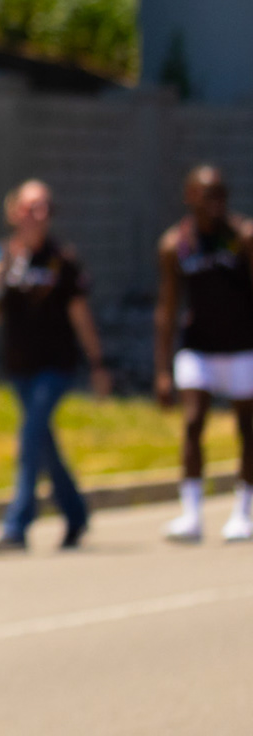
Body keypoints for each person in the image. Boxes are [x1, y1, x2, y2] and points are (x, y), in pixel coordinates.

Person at [0, 179, 108, 554]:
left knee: (31, 436)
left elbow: (81, 316)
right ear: (15, 212)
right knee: (43, 442)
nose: (40, 215)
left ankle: (17, 524)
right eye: (32, 207)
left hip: (56, 365)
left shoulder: (62, 259)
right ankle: (76, 513)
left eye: (45, 207)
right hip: (20, 367)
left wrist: (98, 363)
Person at [155, 163, 253, 543]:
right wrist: (162, 370)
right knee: (193, 422)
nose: (216, 204)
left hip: (243, 347)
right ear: (190, 198)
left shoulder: (242, 238)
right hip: (198, 348)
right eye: (208, 196)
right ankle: (191, 514)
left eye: (222, 196)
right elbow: (166, 309)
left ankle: (243, 512)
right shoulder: (175, 245)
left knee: (247, 431)